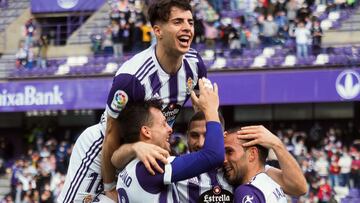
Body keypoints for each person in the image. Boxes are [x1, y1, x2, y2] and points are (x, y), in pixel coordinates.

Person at [58, 0, 206, 202]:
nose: (187, 28)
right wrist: (110, 186)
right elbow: (111, 132)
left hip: (144, 154)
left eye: (190, 22)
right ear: (158, 31)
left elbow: (202, 112)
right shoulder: (132, 78)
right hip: (102, 151)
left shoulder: (195, 64)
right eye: (178, 22)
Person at [115, 78, 224, 202]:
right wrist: (211, 110)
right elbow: (214, 155)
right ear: (146, 131)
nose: (170, 129)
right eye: (163, 124)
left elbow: (116, 159)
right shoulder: (152, 166)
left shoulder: (129, 166)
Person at [223, 127, 287, 202]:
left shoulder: (247, 191)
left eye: (229, 151)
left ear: (252, 154)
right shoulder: (274, 185)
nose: (224, 160)